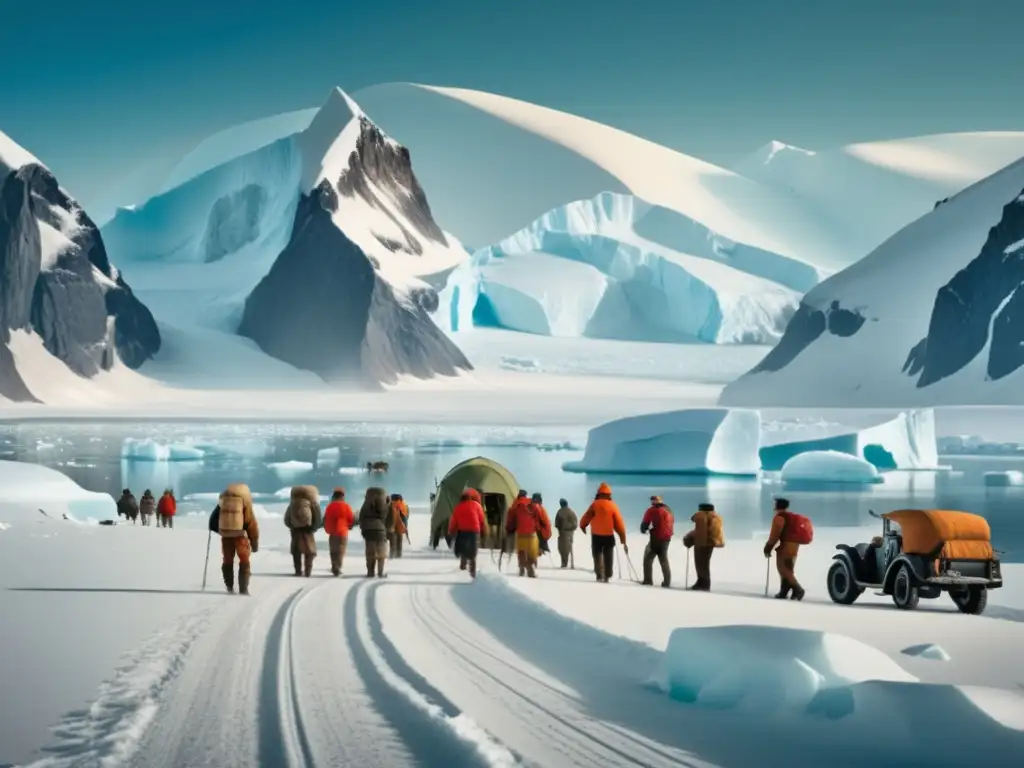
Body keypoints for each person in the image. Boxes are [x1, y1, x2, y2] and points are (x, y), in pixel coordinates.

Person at [209, 483, 259, 595]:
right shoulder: (244, 501)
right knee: (244, 560)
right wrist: (254, 542)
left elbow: (214, 518)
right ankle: (243, 589)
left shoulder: (223, 500)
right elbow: (250, 523)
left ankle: (229, 587)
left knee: (227, 560)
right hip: (240, 535)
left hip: (226, 535)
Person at [580, 482, 627, 583]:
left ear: (599, 493)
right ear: (609, 494)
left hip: (596, 535)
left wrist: (583, 526)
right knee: (608, 556)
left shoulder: (594, 504)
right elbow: (619, 523)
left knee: (597, 555)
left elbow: (587, 516)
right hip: (608, 535)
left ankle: (599, 574)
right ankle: (607, 575)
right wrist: (622, 537)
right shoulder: (613, 506)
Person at [764, 497, 806, 601]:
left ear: (777, 506)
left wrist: (768, 547)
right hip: (794, 545)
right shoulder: (790, 517)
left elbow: (775, 535)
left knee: (783, 569)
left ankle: (798, 589)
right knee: (788, 568)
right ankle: (784, 591)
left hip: (786, 546)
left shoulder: (779, 518)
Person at [505, 489, 552, 578]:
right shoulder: (533, 505)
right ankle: (530, 570)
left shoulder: (515, 506)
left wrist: (509, 530)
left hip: (520, 534)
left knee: (521, 551)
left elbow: (510, 520)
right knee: (532, 552)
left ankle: (522, 569)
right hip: (531, 534)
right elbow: (542, 518)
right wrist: (544, 533)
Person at [683, 502, 725, 591]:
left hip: (702, 543)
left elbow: (700, 531)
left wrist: (690, 538)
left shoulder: (701, 516)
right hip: (711, 543)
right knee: (704, 564)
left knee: (700, 563)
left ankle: (703, 584)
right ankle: (703, 583)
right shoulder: (715, 516)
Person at [284, 485, 322, 577]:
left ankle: (298, 571)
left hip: (295, 531)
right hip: (307, 530)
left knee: (296, 551)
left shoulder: (292, 504)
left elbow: (286, 519)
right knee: (309, 551)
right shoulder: (312, 503)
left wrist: (292, 526)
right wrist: (313, 528)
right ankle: (308, 571)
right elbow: (318, 518)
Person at [448, 489, 485, 578]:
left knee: (463, 550)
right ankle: (473, 573)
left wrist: (451, 530)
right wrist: (483, 530)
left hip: (462, 531)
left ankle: (462, 568)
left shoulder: (458, 507)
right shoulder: (477, 505)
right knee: (473, 552)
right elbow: (481, 519)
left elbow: (453, 521)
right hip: (474, 530)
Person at [641, 495, 674, 587]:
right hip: (667, 538)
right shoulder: (668, 510)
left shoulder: (652, 510)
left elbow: (644, 525)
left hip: (656, 537)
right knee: (663, 560)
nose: (652, 502)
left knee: (648, 558)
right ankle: (667, 582)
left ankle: (648, 580)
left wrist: (644, 529)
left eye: (653, 500)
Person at [359, 487, 393, 578]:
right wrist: (388, 503)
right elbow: (387, 516)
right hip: (380, 530)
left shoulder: (365, 504)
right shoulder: (383, 504)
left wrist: (363, 530)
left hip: (368, 530)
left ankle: (370, 572)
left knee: (370, 552)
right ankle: (380, 572)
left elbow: (361, 518)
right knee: (381, 551)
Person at [323, 487, 354, 576]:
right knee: (341, 550)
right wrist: (349, 526)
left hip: (333, 532)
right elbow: (351, 519)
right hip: (343, 532)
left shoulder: (330, 507)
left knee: (333, 550)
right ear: (342, 496)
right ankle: (338, 567)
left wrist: (328, 529)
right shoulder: (346, 506)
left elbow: (326, 519)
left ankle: (334, 566)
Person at [553, 498, 578, 568]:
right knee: (567, 548)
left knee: (563, 549)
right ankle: (568, 564)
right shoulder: (571, 512)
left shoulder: (560, 512)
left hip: (563, 532)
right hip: (568, 533)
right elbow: (575, 524)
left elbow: (556, 523)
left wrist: (562, 528)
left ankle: (564, 563)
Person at [389, 493, 409, 558]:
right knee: (399, 540)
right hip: (402, 525)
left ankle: (392, 555)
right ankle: (398, 555)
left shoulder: (393, 505)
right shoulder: (404, 505)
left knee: (393, 540)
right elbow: (406, 516)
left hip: (394, 524)